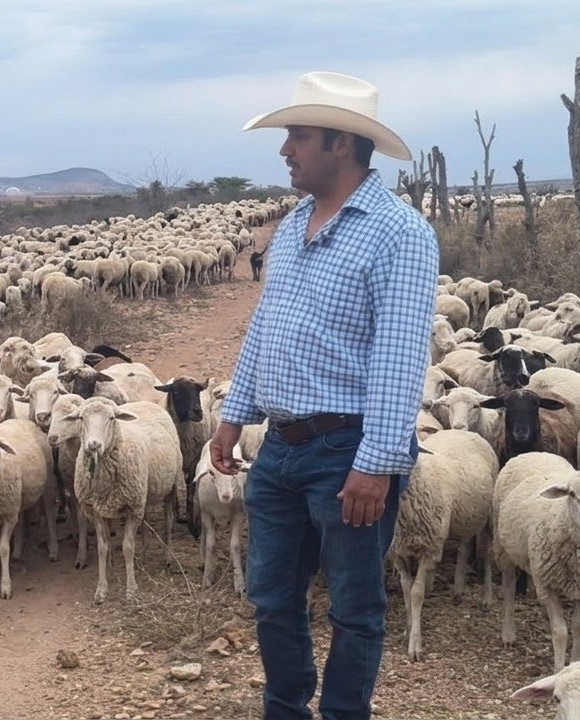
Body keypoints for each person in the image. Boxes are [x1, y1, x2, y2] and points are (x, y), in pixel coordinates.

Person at [209, 72, 439, 720]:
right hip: (279, 448)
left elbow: (399, 356)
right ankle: (286, 707)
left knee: (354, 607)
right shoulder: (290, 228)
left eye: (299, 137)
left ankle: (342, 713)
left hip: (348, 450)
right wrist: (234, 416)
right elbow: (267, 326)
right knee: (272, 596)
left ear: (342, 143)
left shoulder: (399, 233)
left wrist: (377, 462)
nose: (286, 150)